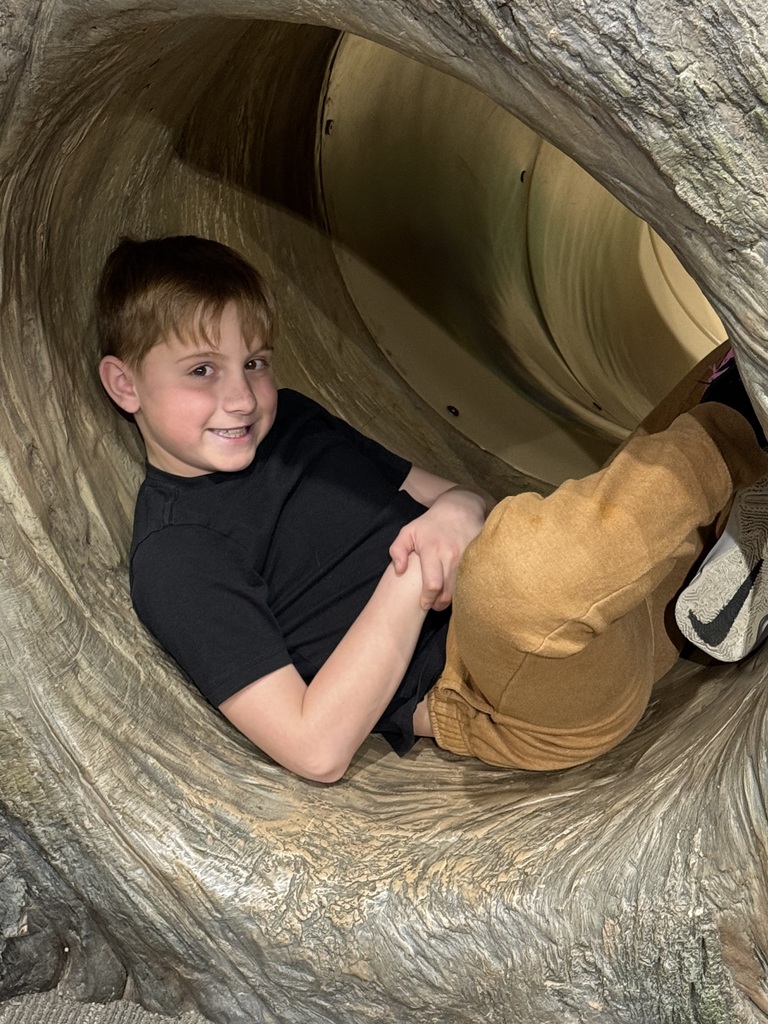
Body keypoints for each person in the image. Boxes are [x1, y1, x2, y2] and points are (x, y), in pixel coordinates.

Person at [97, 234, 768, 783]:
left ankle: (732, 562)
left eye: (257, 362)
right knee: (516, 566)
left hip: (612, 621)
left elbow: (454, 499)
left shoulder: (291, 421)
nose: (242, 398)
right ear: (124, 384)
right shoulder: (177, 553)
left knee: (732, 359)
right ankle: (735, 449)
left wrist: (452, 515)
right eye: (202, 371)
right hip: (496, 690)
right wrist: (417, 575)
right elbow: (315, 747)